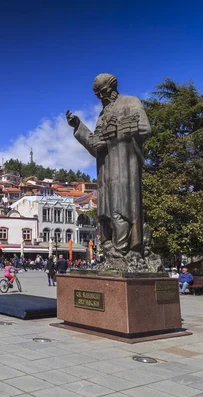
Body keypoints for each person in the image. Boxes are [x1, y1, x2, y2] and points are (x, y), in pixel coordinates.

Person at [67, 73, 152, 260]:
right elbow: (94, 146)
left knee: (120, 210)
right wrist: (79, 127)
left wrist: (115, 135)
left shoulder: (130, 102)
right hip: (105, 171)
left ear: (112, 87)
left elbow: (145, 129)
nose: (100, 97)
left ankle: (123, 252)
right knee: (105, 213)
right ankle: (110, 250)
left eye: (102, 92)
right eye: (96, 94)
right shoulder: (102, 115)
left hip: (124, 167)